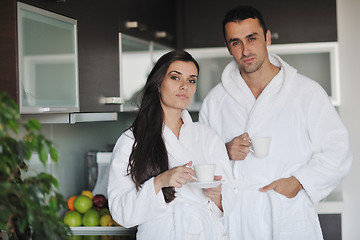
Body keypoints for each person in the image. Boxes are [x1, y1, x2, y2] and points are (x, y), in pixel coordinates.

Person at [199, 5, 352, 240]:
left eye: (252, 38)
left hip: (288, 215)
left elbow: (338, 151)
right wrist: (224, 150)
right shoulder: (215, 101)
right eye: (236, 42)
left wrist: (299, 182)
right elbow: (203, 163)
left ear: (267, 37)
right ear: (228, 47)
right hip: (238, 220)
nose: (245, 50)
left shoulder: (306, 92)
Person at [108, 50, 234, 240]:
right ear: (159, 84)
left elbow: (231, 203)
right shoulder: (132, 141)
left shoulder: (208, 137)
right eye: (175, 78)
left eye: (191, 80)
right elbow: (121, 213)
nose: (185, 86)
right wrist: (160, 181)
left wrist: (216, 196)